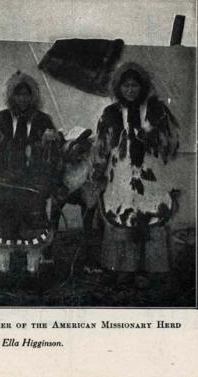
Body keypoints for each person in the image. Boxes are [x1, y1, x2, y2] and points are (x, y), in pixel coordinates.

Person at [92, 62, 180, 287]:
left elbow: (171, 143)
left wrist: (151, 136)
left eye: (135, 86)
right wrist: (99, 170)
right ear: (118, 88)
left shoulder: (156, 110)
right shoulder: (111, 112)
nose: (130, 90)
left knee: (150, 215)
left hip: (150, 175)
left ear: (143, 87)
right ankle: (123, 268)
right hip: (120, 175)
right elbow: (102, 145)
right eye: (126, 86)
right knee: (122, 216)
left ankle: (150, 269)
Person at [0, 71, 63, 278]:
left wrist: (52, 140)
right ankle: (3, 271)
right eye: (18, 95)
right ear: (11, 96)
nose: (23, 99)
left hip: (33, 185)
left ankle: (32, 272)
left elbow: (55, 154)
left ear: (33, 96)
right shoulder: (0, 118)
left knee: (33, 228)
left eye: (27, 95)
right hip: (4, 183)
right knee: (4, 227)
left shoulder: (43, 120)